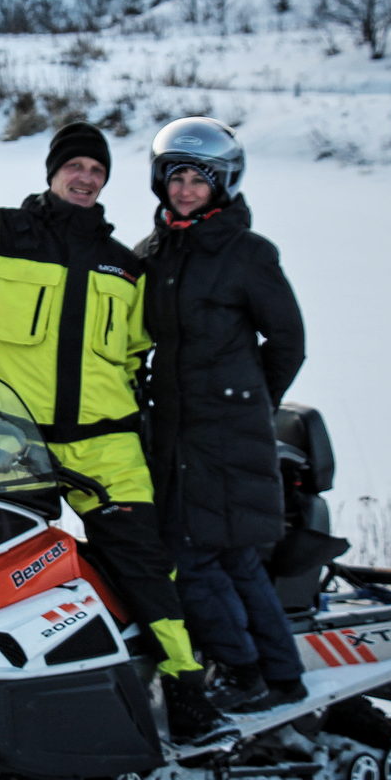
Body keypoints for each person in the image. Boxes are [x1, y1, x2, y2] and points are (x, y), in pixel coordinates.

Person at [0, 54, 234, 748]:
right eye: (76, 165)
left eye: (97, 170)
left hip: (106, 442)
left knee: (147, 565)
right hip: (10, 442)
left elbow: (143, 352)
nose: (86, 176)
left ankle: (186, 688)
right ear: (54, 172)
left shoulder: (128, 267)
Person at [133, 118, 308, 711]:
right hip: (175, 430)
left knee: (197, 553)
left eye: (199, 179)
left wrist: (250, 401)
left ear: (223, 184)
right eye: (176, 176)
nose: (185, 188)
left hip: (227, 432)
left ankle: (243, 671)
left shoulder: (248, 254)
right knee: (229, 555)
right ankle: (282, 677)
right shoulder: (153, 251)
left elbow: (287, 341)